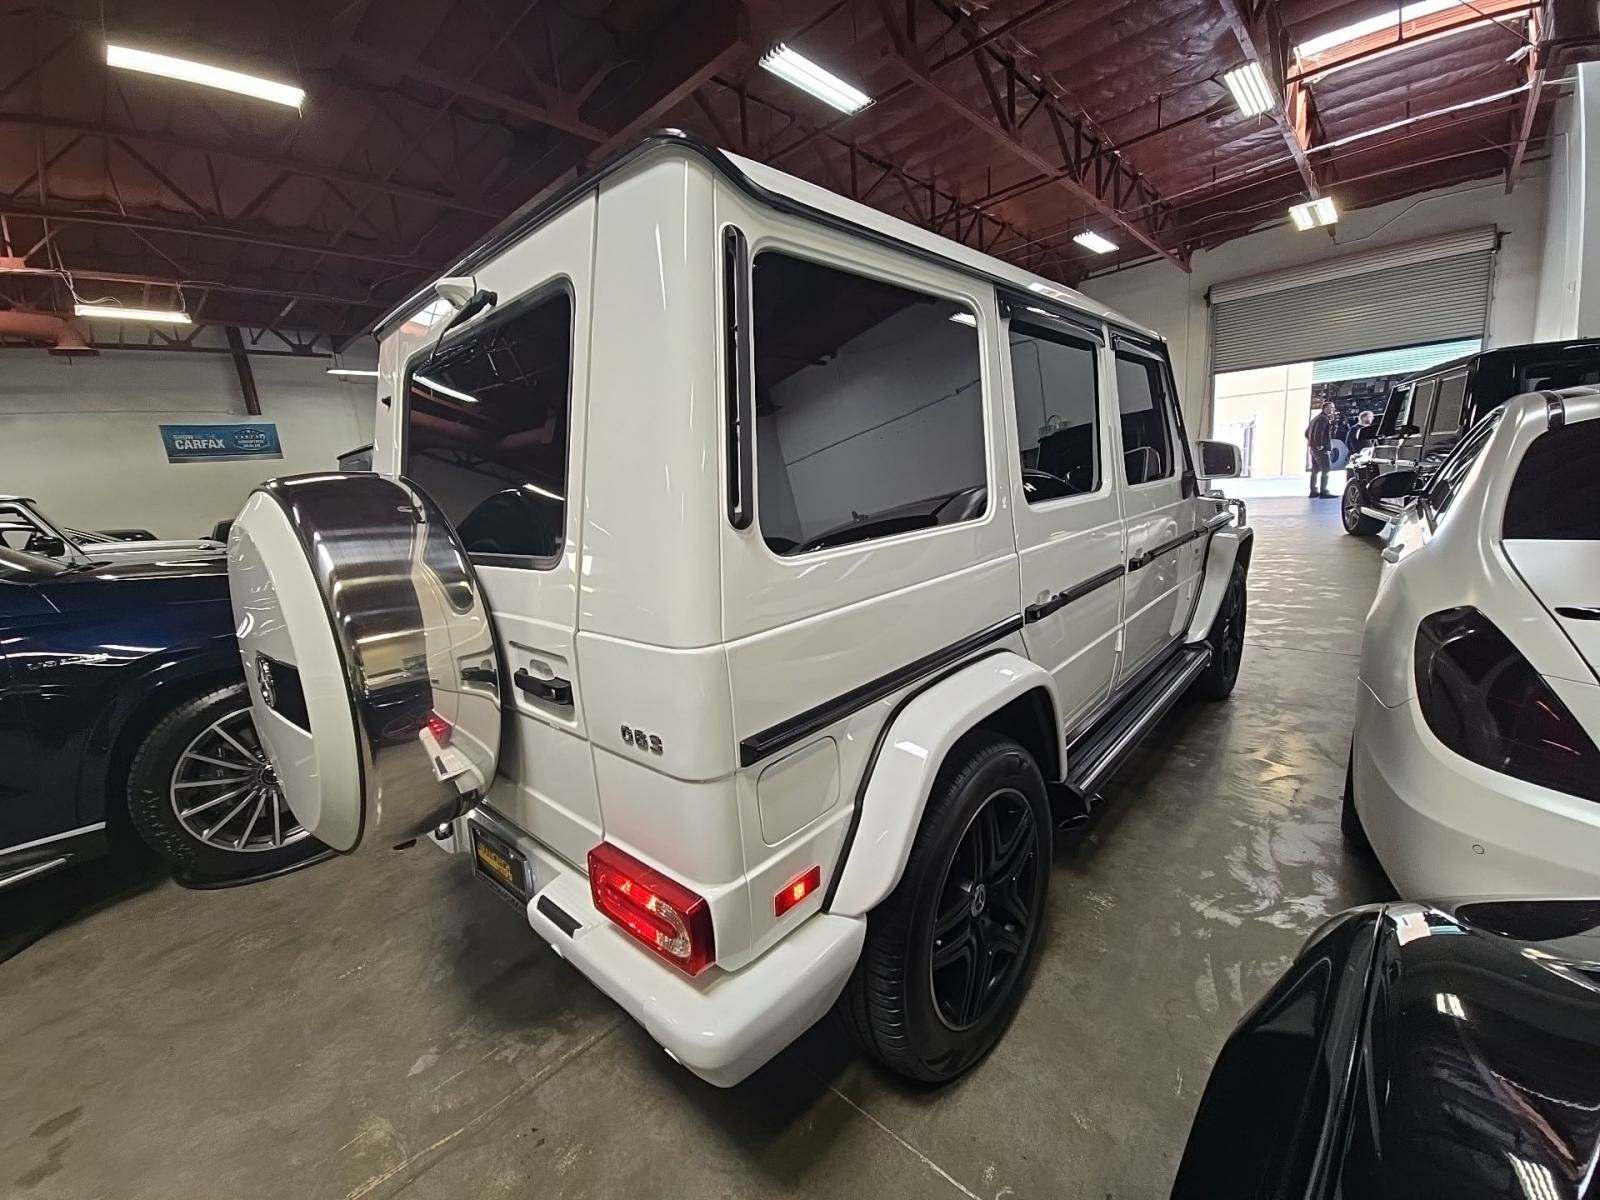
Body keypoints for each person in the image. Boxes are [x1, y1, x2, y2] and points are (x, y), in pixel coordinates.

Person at [1306, 400, 1336, 498]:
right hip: (1320, 449)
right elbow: (1319, 432)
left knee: (1315, 470)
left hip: (1313, 448)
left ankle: (1313, 491)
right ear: (1325, 408)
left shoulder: (1315, 418)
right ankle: (1324, 491)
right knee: (1326, 469)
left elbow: (1306, 433)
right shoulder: (1324, 418)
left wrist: (1313, 443)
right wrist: (1319, 445)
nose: (1333, 409)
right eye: (1332, 407)